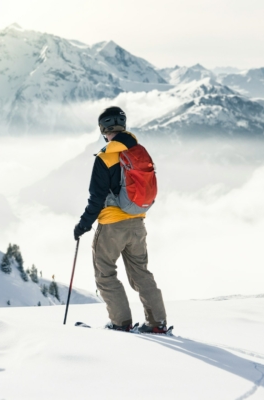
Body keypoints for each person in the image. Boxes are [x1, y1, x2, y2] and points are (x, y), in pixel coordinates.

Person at [74, 106, 168, 334]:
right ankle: (157, 324)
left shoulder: (105, 157)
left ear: (104, 129)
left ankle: (121, 323)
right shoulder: (139, 152)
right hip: (138, 223)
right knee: (141, 273)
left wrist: (83, 224)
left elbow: (96, 198)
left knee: (105, 273)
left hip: (112, 226)